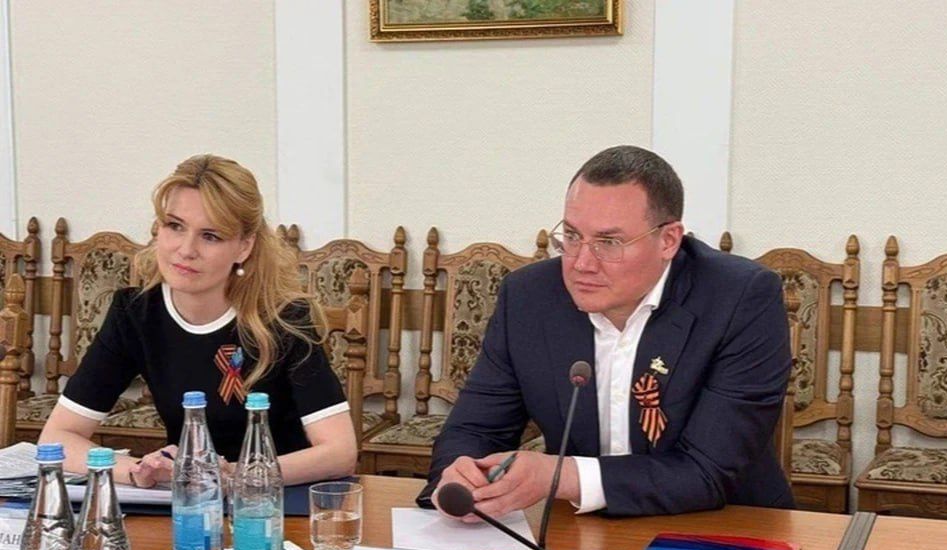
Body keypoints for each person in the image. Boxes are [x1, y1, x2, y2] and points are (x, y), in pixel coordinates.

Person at [418, 145, 793, 517]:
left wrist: (561, 477)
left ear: (668, 240)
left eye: (608, 243)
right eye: (572, 236)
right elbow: (475, 429)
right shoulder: (529, 297)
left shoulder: (740, 297)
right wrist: (460, 478)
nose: (581, 263)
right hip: (579, 526)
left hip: (726, 524)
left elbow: (707, 470)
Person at [39, 154, 356, 488]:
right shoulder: (134, 313)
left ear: (244, 247)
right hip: (189, 500)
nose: (186, 249)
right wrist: (138, 471)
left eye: (210, 236)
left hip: (277, 500)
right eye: (175, 226)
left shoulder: (284, 318)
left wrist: (233, 475)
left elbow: (340, 452)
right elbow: (58, 436)